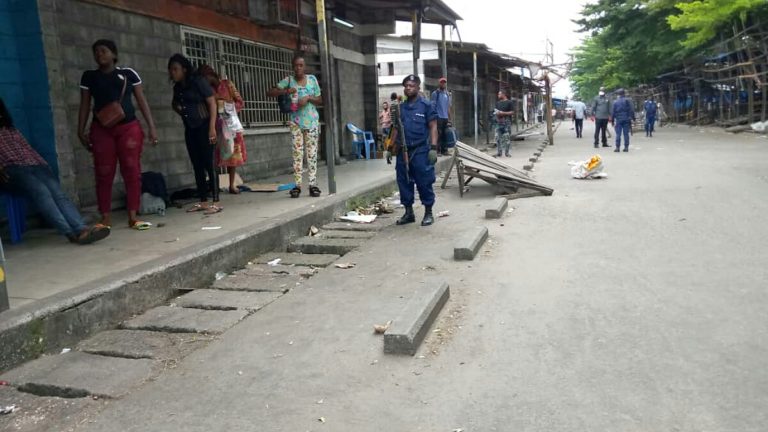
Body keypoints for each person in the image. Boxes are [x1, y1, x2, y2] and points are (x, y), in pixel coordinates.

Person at [1, 97, 110, 244]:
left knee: (57, 193)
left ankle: (81, 229)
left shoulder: (11, 129)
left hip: (35, 165)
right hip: (11, 170)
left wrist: (42, 164)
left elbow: (27, 149)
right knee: (41, 191)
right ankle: (72, 233)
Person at [78, 39, 158, 230]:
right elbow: (85, 105)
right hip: (101, 130)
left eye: (104, 51)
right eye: (96, 52)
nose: (100, 54)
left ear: (114, 54)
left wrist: (151, 127)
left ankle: (133, 215)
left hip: (128, 128)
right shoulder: (89, 77)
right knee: (103, 172)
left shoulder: (128, 74)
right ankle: (105, 217)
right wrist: (80, 130)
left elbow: (141, 101)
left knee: (131, 170)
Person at [168, 53, 221, 214]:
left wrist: (212, 127)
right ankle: (203, 201)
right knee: (196, 164)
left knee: (209, 163)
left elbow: (212, 103)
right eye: (171, 70)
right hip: (190, 128)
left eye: (176, 69)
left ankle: (216, 201)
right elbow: (174, 103)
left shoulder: (198, 82)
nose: (173, 73)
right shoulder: (178, 88)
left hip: (205, 126)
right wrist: (180, 110)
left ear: (184, 69)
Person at [268, 55, 323, 198]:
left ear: (304, 67)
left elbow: (320, 99)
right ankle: (297, 186)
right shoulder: (288, 81)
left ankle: (313, 184)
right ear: (293, 67)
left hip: (311, 122)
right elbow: (270, 92)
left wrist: (308, 98)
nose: (298, 68)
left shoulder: (312, 80)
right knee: (297, 154)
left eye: (301, 65)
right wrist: (287, 91)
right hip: (295, 123)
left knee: (312, 154)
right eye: (296, 65)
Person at [391, 74, 438, 227]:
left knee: (424, 182)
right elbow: (397, 129)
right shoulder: (401, 108)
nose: (408, 88)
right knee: (403, 181)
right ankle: (409, 212)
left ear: (418, 87)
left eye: (411, 85)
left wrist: (433, 148)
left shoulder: (426, 105)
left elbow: (433, 126)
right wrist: (390, 147)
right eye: (406, 86)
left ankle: (428, 212)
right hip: (403, 150)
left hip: (421, 150)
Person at [199, 65, 246, 194]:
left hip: (230, 125)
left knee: (232, 155)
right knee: (214, 156)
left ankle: (231, 185)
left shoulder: (228, 84)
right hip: (215, 126)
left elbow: (240, 102)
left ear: (211, 75)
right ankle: (215, 186)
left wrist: (227, 107)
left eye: (205, 79)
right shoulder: (206, 90)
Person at [430, 77, 452, 156]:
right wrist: (434, 116)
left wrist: (450, 119)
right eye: (441, 82)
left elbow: (448, 107)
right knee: (438, 134)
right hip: (438, 117)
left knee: (445, 135)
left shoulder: (447, 94)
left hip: (445, 117)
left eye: (444, 82)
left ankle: (445, 150)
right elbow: (432, 106)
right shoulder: (435, 93)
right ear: (439, 84)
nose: (443, 84)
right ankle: (437, 151)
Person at [495, 90, 514, 157]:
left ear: (503, 94)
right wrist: (497, 115)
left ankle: (507, 153)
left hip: (506, 122)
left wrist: (503, 113)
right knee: (497, 137)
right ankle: (499, 152)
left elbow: (512, 112)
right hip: (499, 122)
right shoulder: (498, 103)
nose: (498, 95)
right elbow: (496, 111)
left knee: (507, 137)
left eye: (499, 94)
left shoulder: (509, 102)